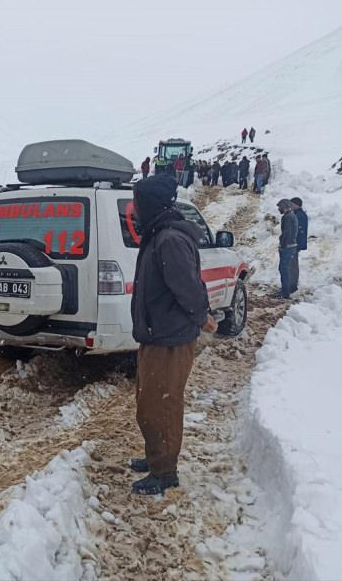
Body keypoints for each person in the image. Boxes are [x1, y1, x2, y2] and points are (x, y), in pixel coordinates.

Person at [128, 174, 215, 495]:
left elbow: (189, 288)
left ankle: (164, 472)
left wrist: (202, 316)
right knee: (148, 401)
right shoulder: (158, 234)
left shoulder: (169, 239)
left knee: (161, 404)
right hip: (157, 335)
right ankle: (156, 457)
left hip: (170, 337)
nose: (134, 209)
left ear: (149, 203)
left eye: (137, 203)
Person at [276, 199, 299, 299]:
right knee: (285, 268)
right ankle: (285, 289)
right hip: (290, 246)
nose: (278, 209)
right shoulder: (291, 215)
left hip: (287, 247)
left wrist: (282, 246)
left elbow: (287, 233)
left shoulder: (288, 217)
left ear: (284, 207)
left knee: (284, 268)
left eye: (280, 207)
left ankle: (285, 291)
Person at [290, 197, 308, 294]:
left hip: (294, 245)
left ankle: (292, 286)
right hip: (293, 244)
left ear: (297, 205)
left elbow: (297, 232)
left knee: (292, 265)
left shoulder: (300, 215)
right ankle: (291, 285)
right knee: (291, 264)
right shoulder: (296, 214)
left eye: (292, 204)